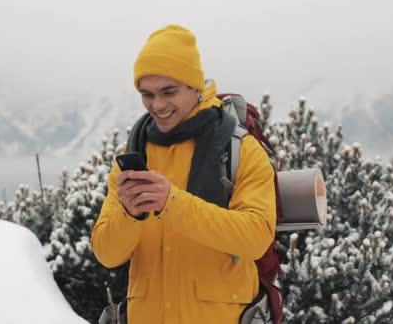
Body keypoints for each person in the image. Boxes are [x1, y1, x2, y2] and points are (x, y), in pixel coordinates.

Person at [90, 24, 277, 324]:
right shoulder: (132, 155)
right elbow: (107, 253)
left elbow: (256, 237)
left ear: (195, 86)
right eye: (147, 94)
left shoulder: (242, 149)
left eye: (169, 91)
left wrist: (172, 203)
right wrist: (129, 214)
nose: (157, 105)